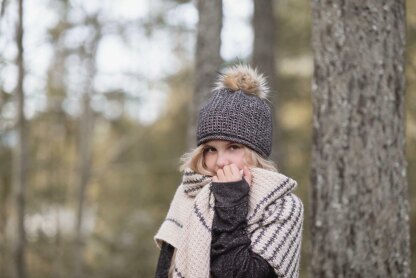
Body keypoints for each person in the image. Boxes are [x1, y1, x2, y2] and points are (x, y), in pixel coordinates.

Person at [154, 64, 304, 278]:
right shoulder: (189, 194)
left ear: (255, 152)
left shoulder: (283, 207)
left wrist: (231, 202)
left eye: (233, 147)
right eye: (211, 149)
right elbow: (163, 272)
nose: (220, 161)